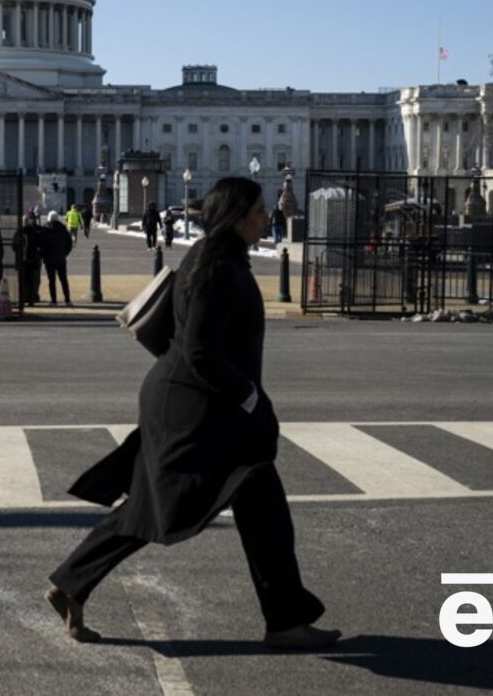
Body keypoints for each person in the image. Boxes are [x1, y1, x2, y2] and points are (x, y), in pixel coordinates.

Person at [45, 177, 340, 650]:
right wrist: (249, 397)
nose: (269, 217)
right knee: (164, 507)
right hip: (199, 409)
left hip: (193, 402)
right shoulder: (219, 266)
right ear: (238, 215)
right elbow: (201, 351)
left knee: (251, 507)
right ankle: (284, 621)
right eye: (261, 210)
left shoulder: (214, 259)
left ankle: (284, 619)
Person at [41, 210, 73, 306]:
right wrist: (65, 253)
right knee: (63, 280)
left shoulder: (45, 229)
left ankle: (54, 300)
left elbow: (42, 245)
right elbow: (69, 243)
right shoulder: (63, 228)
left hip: (49, 259)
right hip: (61, 258)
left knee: (52, 281)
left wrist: (43, 255)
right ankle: (67, 299)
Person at [11, 212, 44, 306]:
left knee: (26, 280)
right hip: (29, 258)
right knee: (29, 280)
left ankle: (27, 298)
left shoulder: (21, 231)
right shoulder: (33, 231)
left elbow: (14, 246)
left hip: (27, 259)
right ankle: (29, 298)